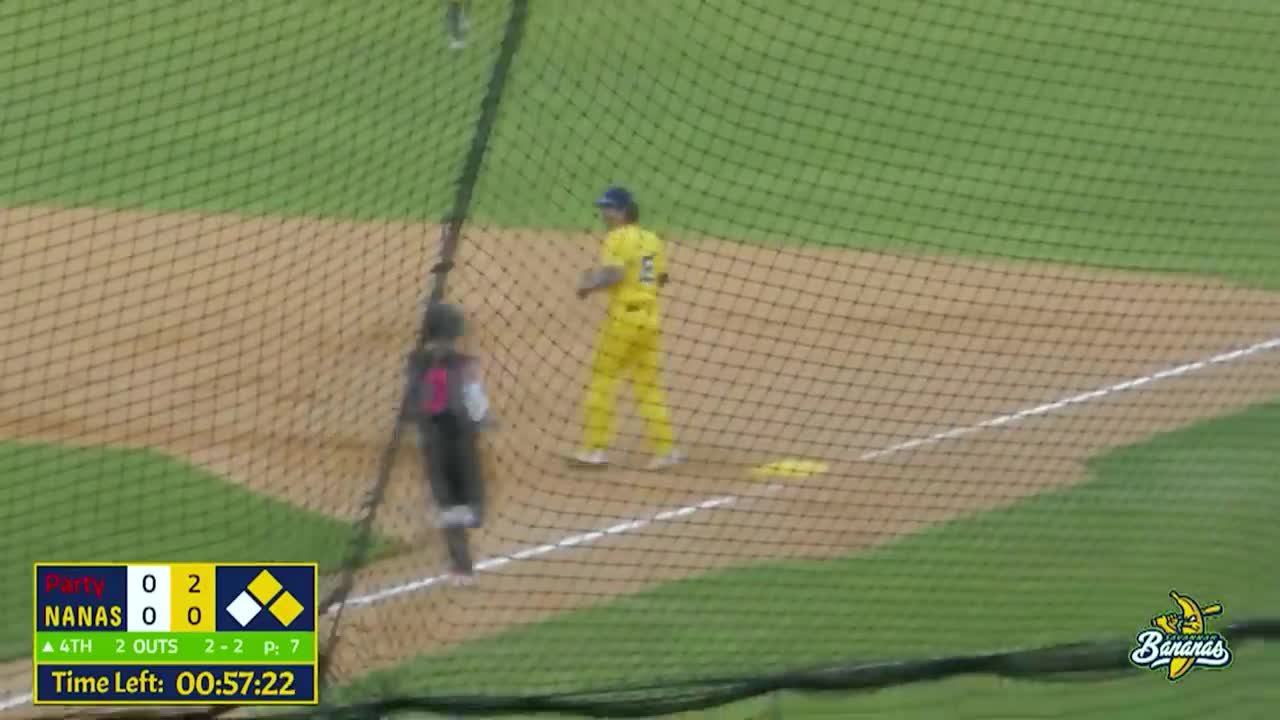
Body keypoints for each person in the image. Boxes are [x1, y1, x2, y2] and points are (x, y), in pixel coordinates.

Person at [571, 186, 685, 470]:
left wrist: (588, 286)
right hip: (650, 319)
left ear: (622, 211)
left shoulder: (616, 238)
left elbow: (614, 274)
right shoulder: (652, 238)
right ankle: (665, 449)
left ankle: (595, 449)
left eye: (608, 208)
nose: (604, 214)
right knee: (648, 385)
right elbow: (662, 278)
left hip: (624, 320)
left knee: (603, 379)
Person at [403, 301, 493, 585]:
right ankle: (470, 513)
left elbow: (411, 403)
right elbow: (476, 403)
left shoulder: (416, 362)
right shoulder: (465, 364)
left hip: (433, 440)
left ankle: (461, 566)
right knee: (470, 498)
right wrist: (485, 420)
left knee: (447, 501)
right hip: (462, 438)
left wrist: (416, 429)